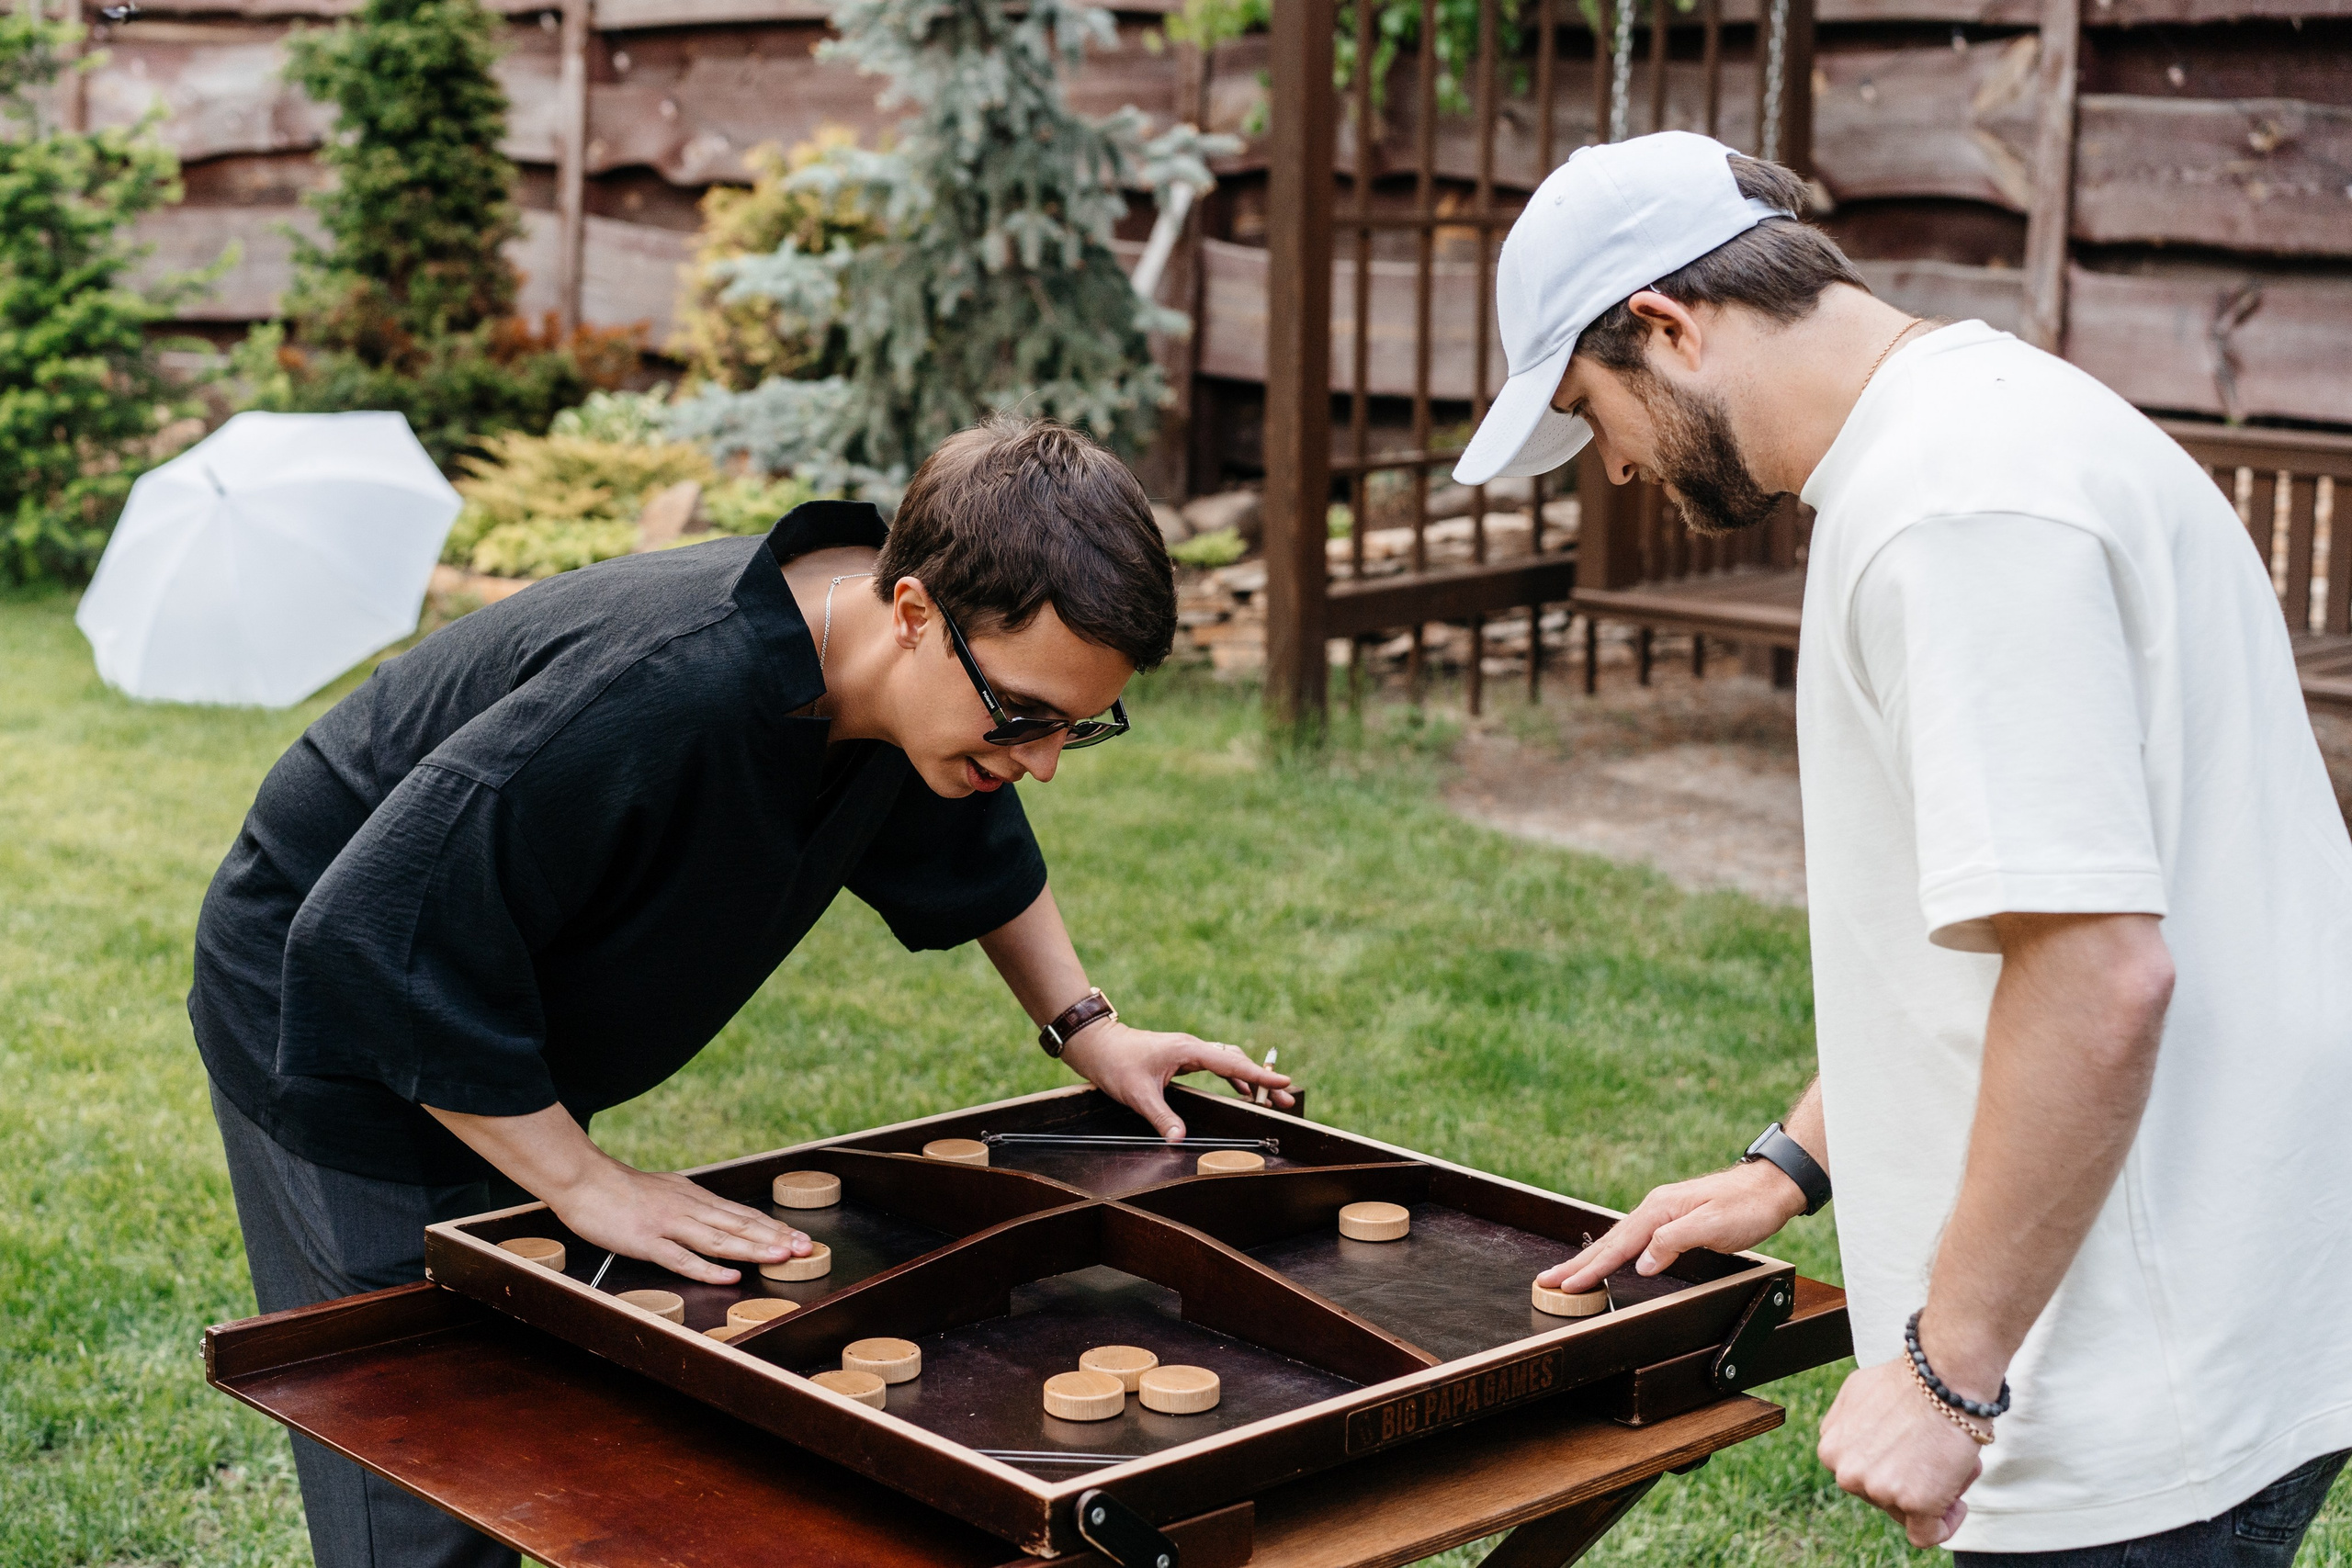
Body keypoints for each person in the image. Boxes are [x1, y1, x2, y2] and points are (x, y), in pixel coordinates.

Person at [1455, 130, 2352, 1560]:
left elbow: (2099, 975)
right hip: (2214, 1296)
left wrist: (1950, 1368)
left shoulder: (1955, 513)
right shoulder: (1992, 425)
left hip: (2138, 1366)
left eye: (1592, 407)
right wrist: (1794, 1166)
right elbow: (2029, 922)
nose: (1614, 468)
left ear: (1669, 329)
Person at [189, 414, 1291, 1568]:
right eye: (1023, 716)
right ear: (913, 613)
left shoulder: (890, 678)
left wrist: (1088, 1029)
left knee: (528, 1400)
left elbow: (968, 837)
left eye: (1080, 725)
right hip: (331, 1011)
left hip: (484, 992)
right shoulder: (667, 688)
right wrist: (581, 1181)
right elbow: (371, 936)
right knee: (434, 1438)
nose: (1045, 758)